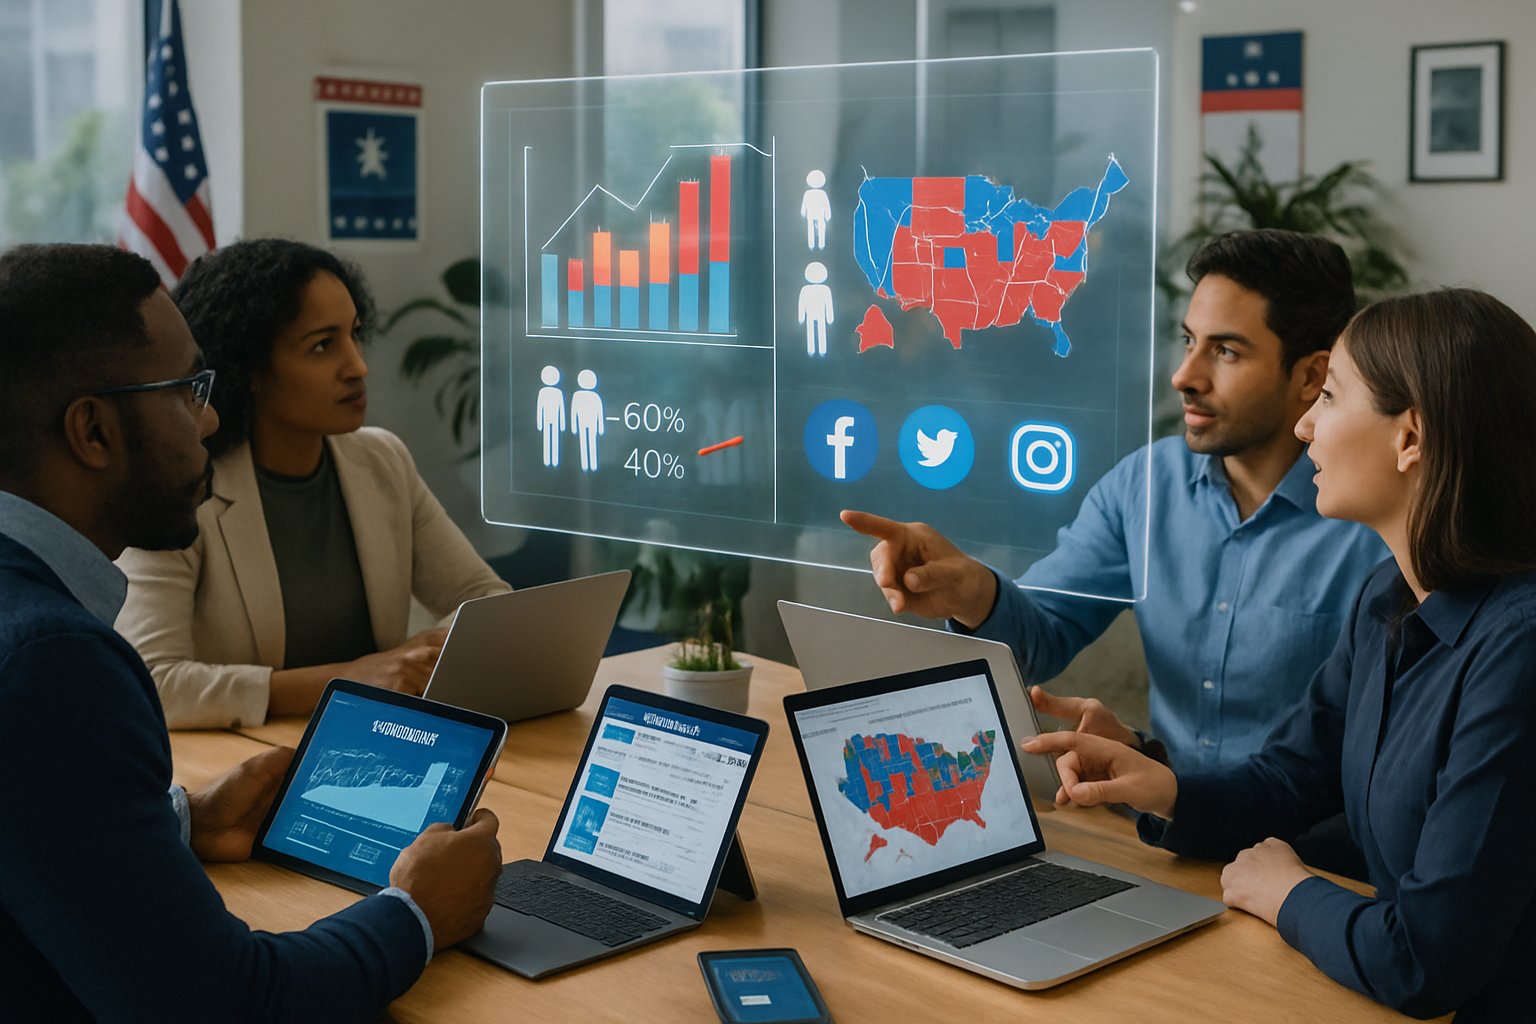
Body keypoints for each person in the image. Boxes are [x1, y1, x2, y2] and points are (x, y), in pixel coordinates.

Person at [0, 243, 502, 1020]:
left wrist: (182, 820)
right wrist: (417, 912)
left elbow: (34, 827)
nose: (207, 414)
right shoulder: (53, 664)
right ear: (92, 432)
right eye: (183, 390)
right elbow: (224, 1003)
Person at [1026, 289, 1536, 1020]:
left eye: (1328, 397)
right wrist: (1156, 779)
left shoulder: (1519, 650)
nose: (1305, 424)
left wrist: (1289, 892)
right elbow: (1290, 778)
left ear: (1411, 437)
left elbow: (1425, 959)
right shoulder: (1387, 595)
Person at [843, 230, 1387, 773]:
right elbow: (1042, 638)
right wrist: (971, 591)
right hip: (1162, 828)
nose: (1184, 376)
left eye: (1225, 351)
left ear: (1312, 376)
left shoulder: (1375, 523)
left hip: (1305, 852)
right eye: (1188, 341)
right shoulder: (1145, 486)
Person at [115, 239, 511, 729]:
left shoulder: (382, 459)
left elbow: (486, 601)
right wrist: (350, 680)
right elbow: (152, 682)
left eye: (355, 335)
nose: (358, 366)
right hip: (240, 763)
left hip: (379, 740)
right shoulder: (185, 484)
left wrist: (418, 655)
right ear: (251, 369)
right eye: (323, 346)